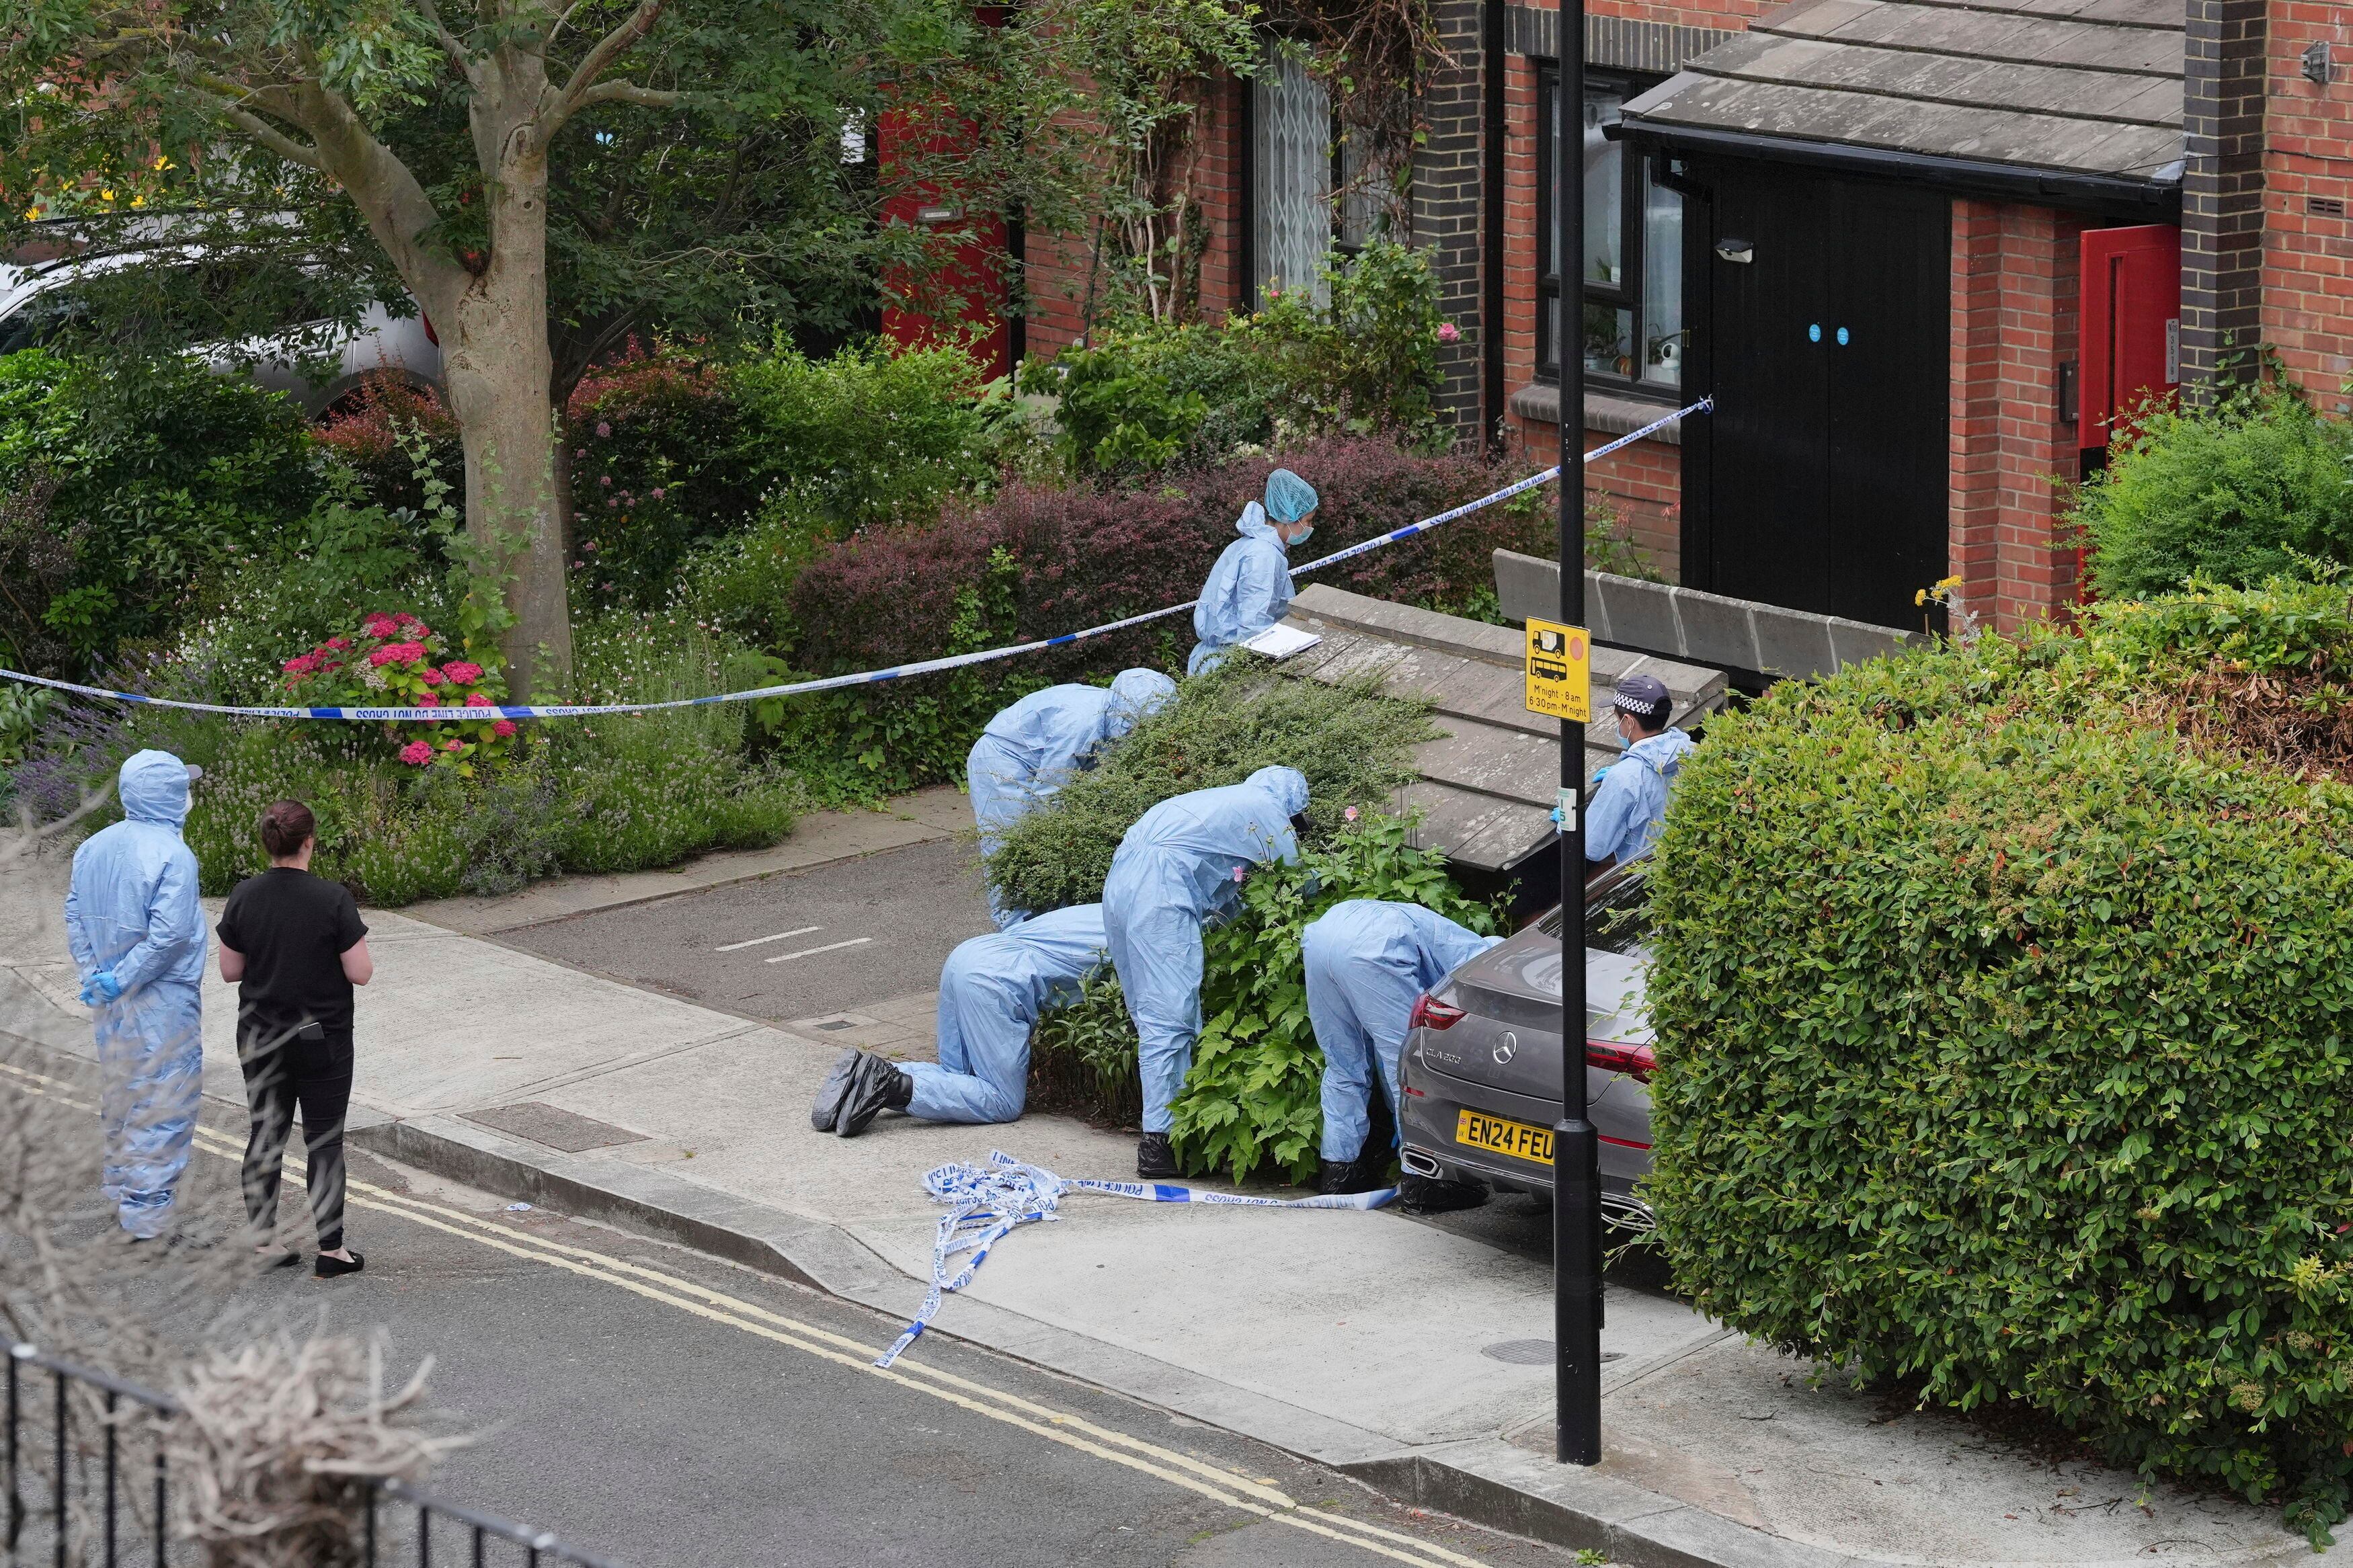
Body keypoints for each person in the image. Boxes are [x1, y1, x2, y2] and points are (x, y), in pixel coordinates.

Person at [1102, 766, 1308, 1177]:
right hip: (1158, 890)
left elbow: (1220, 884)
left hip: (1119, 883)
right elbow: (1297, 883)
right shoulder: (1267, 810)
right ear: (1291, 807)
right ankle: (1162, 1143)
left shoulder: (1218, 801)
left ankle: (1167, 1127)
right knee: (1170, 1016)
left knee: (1148, 1012)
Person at [216, 799, 374, 1278]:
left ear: (268, 842)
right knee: (324, 1140)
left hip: (261, 1037)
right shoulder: (332, 899)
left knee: (266, 1135)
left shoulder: (244, 895)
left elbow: (230, 970)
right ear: (310, 841)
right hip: (319, 1039)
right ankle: (332, 1251)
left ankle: (265, 1242)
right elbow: (361, 972)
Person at [63, 751, 208, 1242]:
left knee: (123, 1092)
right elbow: (170, 937)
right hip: (161, 997)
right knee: (164, 1099)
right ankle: (147, 1219)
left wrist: (97, 974)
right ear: (169, 794)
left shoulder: (92, 847)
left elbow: (75, 915)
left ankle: (124, 1192)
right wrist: (125, 977)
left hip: (109, 995)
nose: (189, 796)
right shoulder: (175, 856)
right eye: (183, 787)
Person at [811, 904, 1110, 1137]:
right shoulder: (1145, 935)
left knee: (958, 1076)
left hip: (971, 954)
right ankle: (890, 1085)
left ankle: (867, 1072)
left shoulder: (1108, 908)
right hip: (996, 981)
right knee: (1001, 1101)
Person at [1302, 900, 1502, 1195]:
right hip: (1375, 947)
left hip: (1320, 939)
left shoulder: (1439, 929)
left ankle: (1340, 1173)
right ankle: (1423, 1180)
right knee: (1409, 1069)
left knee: (1343, 1064)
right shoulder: (1476, 955)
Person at [969, 671, 1176, 930]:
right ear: (1127, 713)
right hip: (1003, 760)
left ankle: (1050, 923)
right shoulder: (1080, 723)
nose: (1139, 734)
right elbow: (1052, 791)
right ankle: (1015, 932)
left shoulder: (1114, 713)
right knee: (1011, 844)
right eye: (1137, 725)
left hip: (1036, 761)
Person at [1187, 468, 1320, 675]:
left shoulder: (1248, 545)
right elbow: (1254, 629)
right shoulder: (1263, 556)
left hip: (1216, 660)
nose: (1311, 527)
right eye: (1308, 520)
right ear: (1288, 517)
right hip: (1230, 667)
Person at [1585, 672, 1696, 878]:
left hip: (1647, 888)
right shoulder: (1695, 752)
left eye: (1617, 719)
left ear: (1628, 721)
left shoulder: (1623, 778)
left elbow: (1594, 846)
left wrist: (1568, 825)